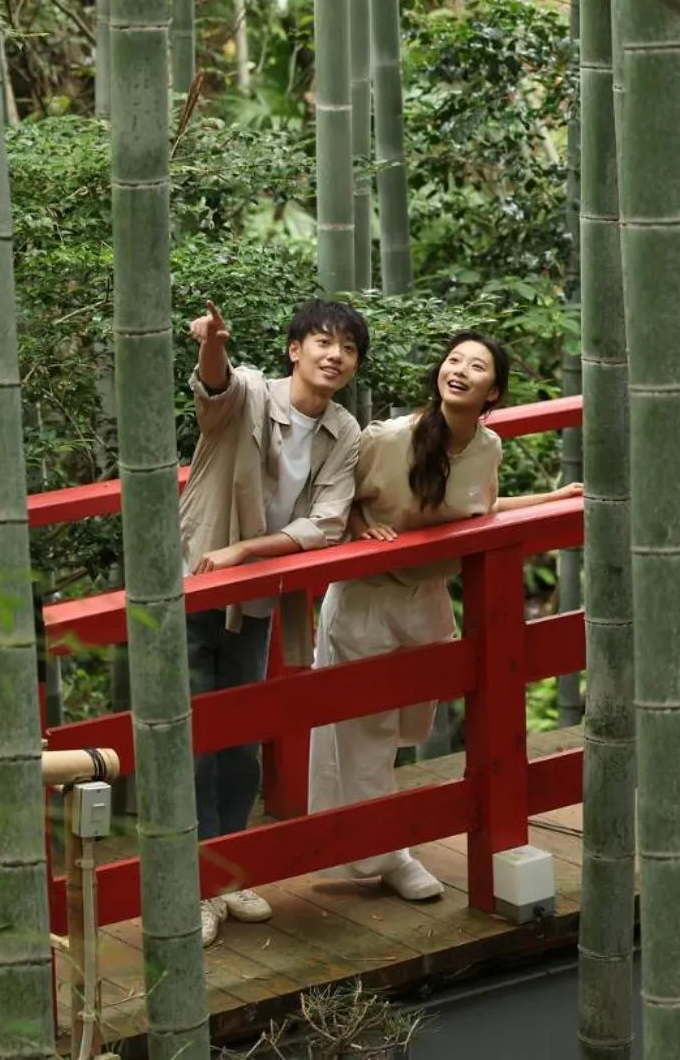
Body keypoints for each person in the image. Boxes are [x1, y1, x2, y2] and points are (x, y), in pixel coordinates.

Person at [309, 331, 581, 901]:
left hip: (427, 596)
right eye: (454, 360)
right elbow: (330, 500)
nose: (459, 370)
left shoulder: (488, 446)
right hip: (365, 596)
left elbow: (482, 506)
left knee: (410, 725)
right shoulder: (389, 438)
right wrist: (359, 528)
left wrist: (553, 499)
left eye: (476, 366)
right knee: (367, 733)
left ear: (493, 391)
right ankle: (384, 859)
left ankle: (361, 841)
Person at [182, 297, 368, 948]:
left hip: (257, 593)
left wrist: (248, 553)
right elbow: (216, 389)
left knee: (242, 737)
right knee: (196, 737)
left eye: (347, 348)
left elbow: (325, 523)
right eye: (321, 341)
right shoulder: (253, 396)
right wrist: (213, 343)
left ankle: (229, 872)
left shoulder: (343, 431)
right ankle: (197, 883)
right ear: (295, 349)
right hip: (197, 584)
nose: (333, 355)